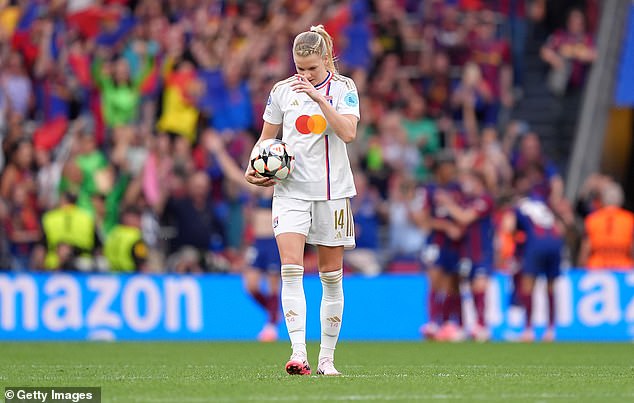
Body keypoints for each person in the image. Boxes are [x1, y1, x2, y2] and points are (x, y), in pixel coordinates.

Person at [244, 25, 360, 376]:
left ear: (325, 58)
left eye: (311, 67)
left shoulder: (344, 89)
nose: (304, 74)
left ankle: (327, 358)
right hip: (291, 192)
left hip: (333, 194)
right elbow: (265, 140)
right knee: (290, 271)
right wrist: (252, 169)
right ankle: (299, 354)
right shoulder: (281, 91)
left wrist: (318, 98)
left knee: (331, 278)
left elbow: (349, 133)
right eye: (299, 67)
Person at [502, 166, 564, 342]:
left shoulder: (518, 205)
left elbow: (509, 227)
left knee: (528, 286)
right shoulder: (541, 202)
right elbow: (557, 225)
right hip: (555, 241)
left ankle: (528, 329)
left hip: (535, 244)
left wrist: (517, 238)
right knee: (550, 288)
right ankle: (551, 329)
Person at [436, 170, 495, 341]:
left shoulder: (485, 200)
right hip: (464, 251)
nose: (465, 184)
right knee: (460, 287)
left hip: (482, 251)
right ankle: (459, 325)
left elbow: (465, 218)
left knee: (479, 286)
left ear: (478, 182)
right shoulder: (464, 200)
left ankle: (482, 325)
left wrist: (447, 203)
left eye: (468, 181)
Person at [578, 182, 634, 270]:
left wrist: (580, 271)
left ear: (602, 200)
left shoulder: (592, 219)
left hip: (596, 270)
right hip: (622, 272)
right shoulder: (630, 220)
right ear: (621, 200)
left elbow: (585, 251)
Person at [104, 206, 149, 273]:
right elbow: (141, 262)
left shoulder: (113, 233)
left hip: (111, 276)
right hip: (130, 277)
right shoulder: (135, 237)